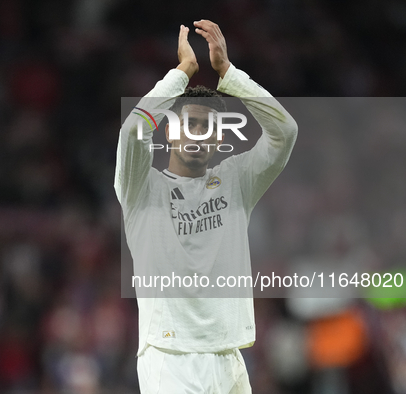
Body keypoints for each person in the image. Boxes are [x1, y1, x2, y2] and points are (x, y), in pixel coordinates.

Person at [115, 20, 298, 393]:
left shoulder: (235, 180)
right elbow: (133, 131)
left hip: (227, 354)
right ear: (169, 131)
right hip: (169, 356)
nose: (197, 135)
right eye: (190, 124)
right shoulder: (141, 187)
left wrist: (229, 74)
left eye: (207, 127)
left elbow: (285, 133)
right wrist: (181, 73)